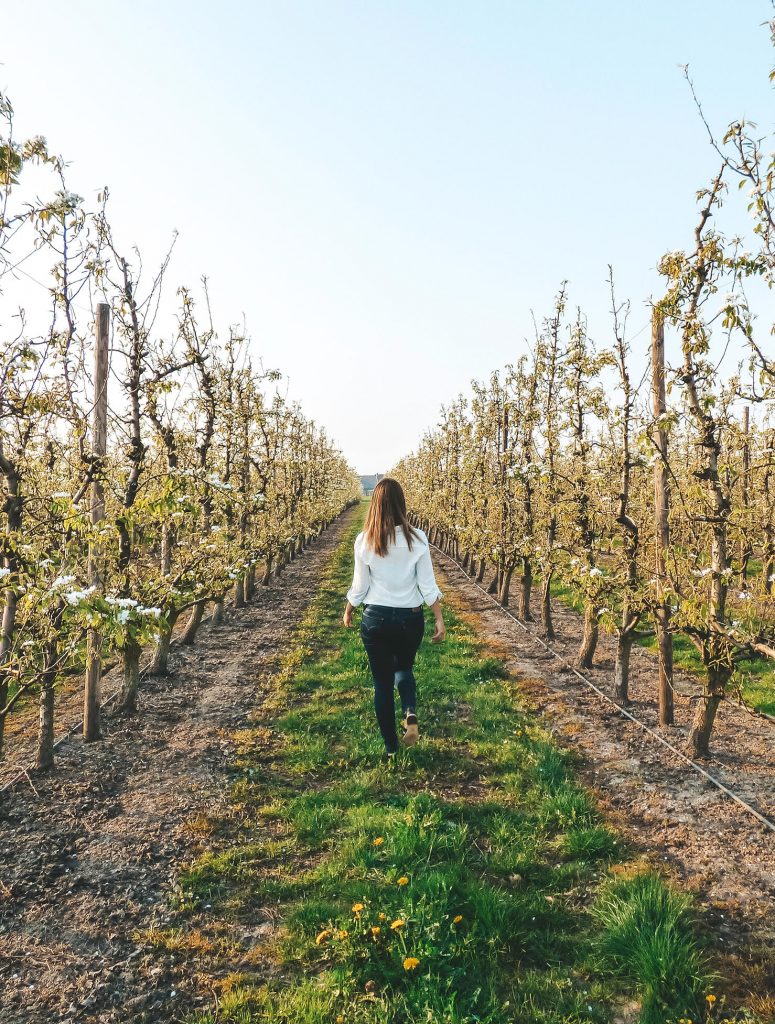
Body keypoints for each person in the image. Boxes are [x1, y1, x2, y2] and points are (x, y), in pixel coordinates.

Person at [343, 477, 446, 756]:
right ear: (402, 504)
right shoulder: (418, 539)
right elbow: (427, 584)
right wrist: (438, 617)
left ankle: (391, 749)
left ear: (375, 505)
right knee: (404, 667)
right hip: (410, 618)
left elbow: (360, 585)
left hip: (375, 618)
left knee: (382, 682)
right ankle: (410, 710)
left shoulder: (364, 540)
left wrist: (350, 607)